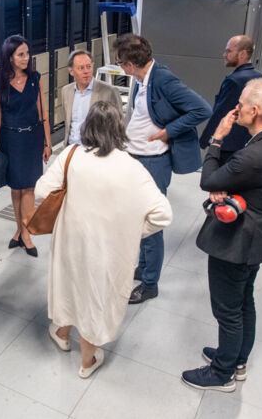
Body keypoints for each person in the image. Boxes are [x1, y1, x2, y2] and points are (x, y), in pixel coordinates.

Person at [36, 101, 172, 379]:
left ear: (87, 127)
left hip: (71, 241)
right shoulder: (132, 168)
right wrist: (133, 230)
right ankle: (87, 361)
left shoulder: (72, 155)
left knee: (70, 285)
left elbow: (41, 191)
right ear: (119, 129)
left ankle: (62, 334)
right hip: (109, 250)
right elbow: (163, 215)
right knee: (96, 297)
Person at [181, 78, 262, 392]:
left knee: (227, 309)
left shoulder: (253, 155)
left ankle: (223, 373)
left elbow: (208, 179)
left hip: (237, 244)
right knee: (244, 300)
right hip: (258, 237)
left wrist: (217, 139)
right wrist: (227, 186)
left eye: (241, 103)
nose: (236, 108)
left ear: (255, 111)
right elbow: (241, 180)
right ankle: (237, 358)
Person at [113, 33, 212, 304]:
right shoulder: (141, 80)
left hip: (153, 162)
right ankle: (144, 266)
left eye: (121, 63)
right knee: (137, 218)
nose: (120, 67)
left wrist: (169, 131)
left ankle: (150, 283)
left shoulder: (163, 79)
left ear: (132, 64)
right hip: (136, 157)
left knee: (151, 221)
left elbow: (203, 110)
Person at [0, 35, 52, 257]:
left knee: (29, 188)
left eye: (27, 53)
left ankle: (25, 234)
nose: (26, 58)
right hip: (11, 141)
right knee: (16, 188)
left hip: (32, 138)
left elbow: (43, 112)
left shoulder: (35, 78)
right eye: (21, 54)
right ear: (10, 57)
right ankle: (20, 230)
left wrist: (48, 142)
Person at [199, 35, 262, 165]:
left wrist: (204, 141)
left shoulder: (234, 81)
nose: (224, 55)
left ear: (242, 54)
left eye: (229, 51)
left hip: (229, 145)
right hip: (249, 142)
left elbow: (221, 113)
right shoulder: (260, 77)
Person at [62, 49, 122, 146]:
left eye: (89, 67)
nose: (86, 71)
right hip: (72, 149)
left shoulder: (109, 92)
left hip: (97, 151)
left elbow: (119, 127)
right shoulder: (66, 91)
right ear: (71, 71)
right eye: (81, 68)